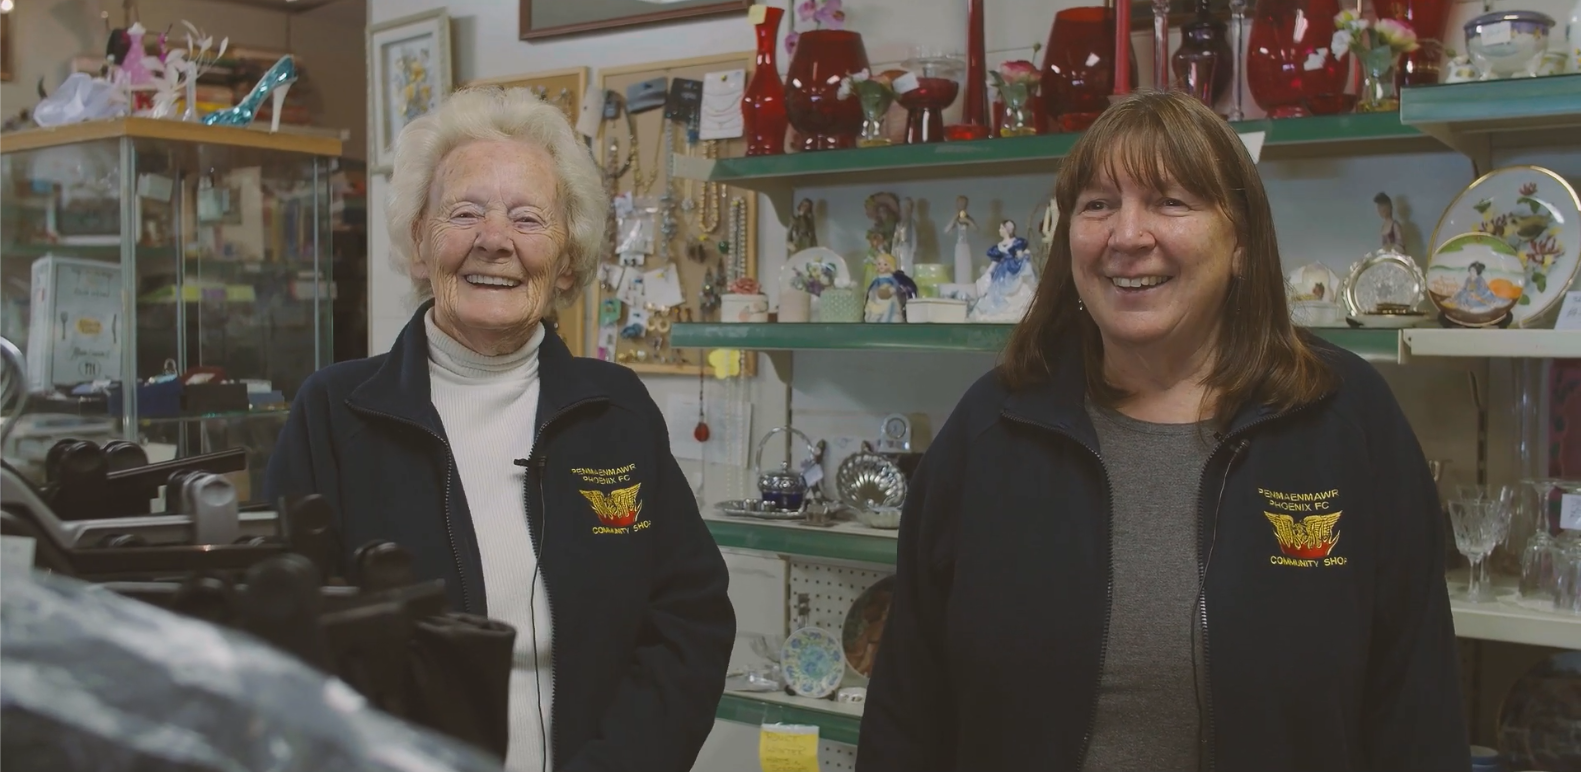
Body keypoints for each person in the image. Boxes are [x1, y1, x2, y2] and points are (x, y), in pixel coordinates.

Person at [856, 90, 1467, 772]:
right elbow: (906, 710)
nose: (1126, 235)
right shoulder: (994, 424)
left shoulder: (1341, 418)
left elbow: (1416, 708)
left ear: (1239, 241)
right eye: (1097, 204)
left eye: (1170, 201)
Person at [264, 87, 734, 772]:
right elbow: (285, 641)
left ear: (566, 256)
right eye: (464, 213)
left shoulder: (617, 411)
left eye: (527, 218)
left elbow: (687, 624)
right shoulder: (335, 412)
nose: (495, 241)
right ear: (419, 241)